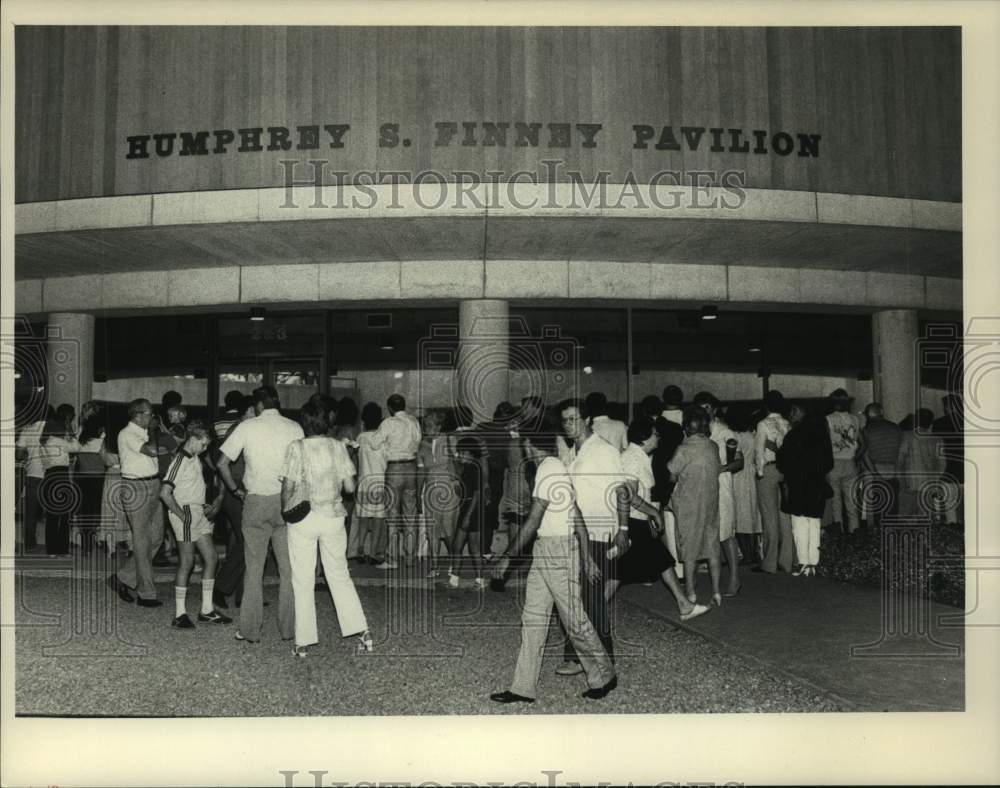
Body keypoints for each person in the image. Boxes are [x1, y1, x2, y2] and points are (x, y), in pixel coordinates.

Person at [489, 421, 618, 704]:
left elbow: (535, 519)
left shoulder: (549, 469)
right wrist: (585, 554)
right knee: (533, 618)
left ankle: (604, 674)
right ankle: (523, 687)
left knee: (574, 620)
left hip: (557, 550)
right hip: (548, 549)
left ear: (527, 444)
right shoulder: (555, 468)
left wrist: (507, 558)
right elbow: (576, 513)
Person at [281, 399, 373, 657]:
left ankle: (303, 642)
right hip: (333, 516)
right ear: (326, 422)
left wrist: (285, 511)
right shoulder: (337, 447)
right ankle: (362, 631)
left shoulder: (296, 447)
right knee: (339, 575)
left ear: (304, 423)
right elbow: (350, 488)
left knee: (303, 578)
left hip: (303, 518)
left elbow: (287, 487)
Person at [218, 385, 303, 643]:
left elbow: (222, 463)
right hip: (286, 501)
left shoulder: (248, 426)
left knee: (254, 568)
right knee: (288, 569)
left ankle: (250, 630)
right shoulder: (294, 427)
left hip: (256, 501)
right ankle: (289, 629)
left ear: (257, 406)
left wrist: (235, 490)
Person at [554, 398, 630, 676]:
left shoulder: (602, 451)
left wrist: (623, 531)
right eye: (564, 420)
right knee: (578, 598)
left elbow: (621, 491)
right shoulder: (576, 451)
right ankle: (581, 655)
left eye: (573, 418)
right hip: (578, 533)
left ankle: (598, 657)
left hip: (598, 533)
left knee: (589, 599)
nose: (568, 425)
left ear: (587, 420)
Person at [615, 418, 710, 620]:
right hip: (635, 520)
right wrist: (654, 512)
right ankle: (684, 605)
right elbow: (628, 495)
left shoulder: (638, 455)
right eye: (655, 434)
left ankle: (684, 605)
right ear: (644, 438)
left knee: (623, 571)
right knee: (660, 560)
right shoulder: (632, 458)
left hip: (638, 519)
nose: (658, 438)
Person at [159, 421, 231, 628]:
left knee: (212, 558)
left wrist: (202, 505)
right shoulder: (180, 460)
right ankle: (179, 614)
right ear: (192, 439)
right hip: (187, 514)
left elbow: (190, 488)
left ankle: (206, 610)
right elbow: (164, 493)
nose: (205, 448)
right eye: (203, 444)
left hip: (197, 512)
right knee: (187, 563)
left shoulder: (195, 458)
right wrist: (183, 516)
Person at [110, 398, 171, 606]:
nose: (153, 417)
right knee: (142, 541)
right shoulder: (127, 434)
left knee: (156, 538)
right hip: (136, 488)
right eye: (150, 414)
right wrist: (154, 431)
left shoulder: (144, 433)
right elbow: (152, 451)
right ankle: (146, 594)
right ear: (137, 415)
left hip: (153, 484)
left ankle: (123, 577)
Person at [667, 407, 723, 606]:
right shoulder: (713, 446)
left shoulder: (683, 449)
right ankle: (717, 592)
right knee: (712, 547)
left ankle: (690, 593)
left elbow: (672, 474)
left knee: (690, 548)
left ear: (686, 426)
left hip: (689, 503)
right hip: (710, 503)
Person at [694, 392, 744, 597]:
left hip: (721, 486)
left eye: (707, 407)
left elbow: (739, 461)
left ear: (714, 409)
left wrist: (723, 468)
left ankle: (734, 578)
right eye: (700, 407)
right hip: (700, 488)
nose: (704, 411)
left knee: (726, 533)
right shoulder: (694, 429)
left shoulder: (725, 432)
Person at [777, 404, 834, 576]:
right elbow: (829, 463)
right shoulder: (822, 434)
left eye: (792, 412)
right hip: (816, 483)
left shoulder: (793, 435)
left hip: (797, 483)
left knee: (799, 523)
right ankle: (814, 563)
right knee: (814, 522)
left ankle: (803, 562)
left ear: (799, 413)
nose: (790, 416)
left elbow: (782, 462)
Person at [368, 393, 422, 565]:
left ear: (389, 408)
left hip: (395, 469)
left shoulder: (389, 423)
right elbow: (418, 441)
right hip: (412, 468)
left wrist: (386, 443)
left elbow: (374, 443)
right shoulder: (414, 421)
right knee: (410, 513)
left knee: (392, 514)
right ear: (404, 405)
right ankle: (410, 558)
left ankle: (392, 558)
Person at [211, 395, 255, 610]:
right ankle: (221, 588)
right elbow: (225, 465)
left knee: (241, 541)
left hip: (235, 492)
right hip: (237, 492)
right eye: (255, 411)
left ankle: (242, 595)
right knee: (247, 541)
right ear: (247, 412)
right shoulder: (240, 430)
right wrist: (233, 491)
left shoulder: (242, 429)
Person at [754, 390, 793, 573]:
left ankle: (769, 563)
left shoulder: (763, 424)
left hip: (768, 469)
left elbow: (759, 451)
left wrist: (760, 472)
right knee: (785, 515)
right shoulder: (787, 423)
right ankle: (787, 560)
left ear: (766, 405)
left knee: (769, 516)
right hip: (785, 470)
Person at [419, 410, 460, 578]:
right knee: (432, 529)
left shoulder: (450, 440)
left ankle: (453, 560)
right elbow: (421, 471)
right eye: (425, 426)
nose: (426, 429)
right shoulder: (422, 445)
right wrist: (416, 494)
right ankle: (434, 566)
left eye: (429, 426)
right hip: (430, 489)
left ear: (438, 426)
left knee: (449, 529)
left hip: (449, 487)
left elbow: (458, 463)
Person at [38, 405, 81, 556]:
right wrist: (70, 430)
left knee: (53, 514)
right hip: (60, 475)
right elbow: (76, 447)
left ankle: (53, 549)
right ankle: (61, 549)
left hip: (50, 475)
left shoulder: (45, 440)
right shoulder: (56, 440)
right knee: (63, 514)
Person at [355, 402, 392, 568]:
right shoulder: (383, 440)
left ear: (363, 420)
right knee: (378, 519)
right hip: (379, 483)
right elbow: (386, 462)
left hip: (363, 483)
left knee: (363, 519)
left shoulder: (360, 438)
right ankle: (373, 552)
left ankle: (360, 549)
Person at [447, 437, 488, 589]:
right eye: (459, 452)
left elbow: (477, 494)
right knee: (457, 546)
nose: (459, 455)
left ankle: (480, 580)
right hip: (467, 507)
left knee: (473, 548)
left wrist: (467, 517)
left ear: (471, 453)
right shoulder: (469, 468)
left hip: (473, 510)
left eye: (462, 452)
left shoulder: (475, 469)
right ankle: (454, 579)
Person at [858, 402, 902, 529]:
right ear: (881, 412)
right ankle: (891, 531)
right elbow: (900, 450)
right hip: (892, 468)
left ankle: (874, 531)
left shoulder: (866, 430)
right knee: (892, 503)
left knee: (872, 505)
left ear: (868, 415)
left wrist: (875, 473)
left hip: (873, 469)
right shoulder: (895, 427)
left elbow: (865, 453)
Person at [16, 405, 54, 552]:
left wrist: (29, 455)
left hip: (33, 473)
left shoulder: (27, 429)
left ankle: (29, 543)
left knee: (30, 512)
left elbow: (19, 455)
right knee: (53, 511)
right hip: (52, 473)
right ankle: (54, 544)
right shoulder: (55, 428)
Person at [825, 389, 862, 535]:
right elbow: (863, 444)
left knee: (836, 505)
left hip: (834, 463)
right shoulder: (855, 419)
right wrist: (855, 456)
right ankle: (855, 535)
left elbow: (826, 444)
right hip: (850, 462)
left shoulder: (827, 419)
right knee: (852, 505)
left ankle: (839, 538)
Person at [75, 408, 112, 553]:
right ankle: (99, 540)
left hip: (83, 477)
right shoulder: (100, 442)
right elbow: (106, 461)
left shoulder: (80, 441)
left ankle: (86, 545)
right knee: (98, 511)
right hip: (99, 478)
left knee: (84, 512)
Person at [897, 409, 945, 517]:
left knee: (906, 516)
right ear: (930, 423)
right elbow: (942, 464)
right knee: (926, 517)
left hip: (910, 484)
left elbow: (900, 460)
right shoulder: (937, 439)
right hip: (929, 484)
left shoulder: (907, 436)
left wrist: (901, 481)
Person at [932, 394, 964, 525]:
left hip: (948, 467)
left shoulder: (939, 423)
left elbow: (935, 446)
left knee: (950, 503)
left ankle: (952, 526)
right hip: (967, 467)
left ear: (947, 407)